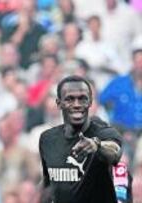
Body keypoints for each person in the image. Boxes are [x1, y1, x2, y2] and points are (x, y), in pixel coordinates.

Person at [39, 75, 123, 203]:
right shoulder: (47, 139)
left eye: (82, 99)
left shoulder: (104, 133)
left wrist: (97, 145)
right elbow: (49, 185)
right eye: (70, 99)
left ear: (90, 102)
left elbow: (115, 153)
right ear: (59, 103)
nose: (77, 104)